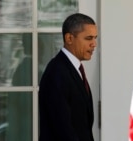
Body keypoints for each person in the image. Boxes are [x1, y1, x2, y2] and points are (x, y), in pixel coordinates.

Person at [39, 13, 98, 141]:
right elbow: (62, 129)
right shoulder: (57, 73)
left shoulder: (73, 69)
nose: (94, 44)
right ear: (69, 38)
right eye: (88, 38)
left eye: (95, 38)